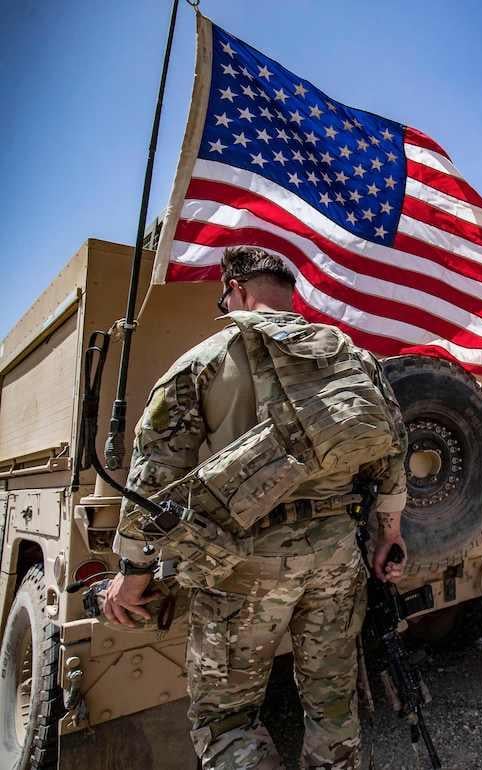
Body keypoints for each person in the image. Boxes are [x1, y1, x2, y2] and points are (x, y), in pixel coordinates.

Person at [101, 247, 408, 769]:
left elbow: (152, 477)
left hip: (242, 565)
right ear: (288, 293)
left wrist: (133, 573)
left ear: (237, 288)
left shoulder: (206, 359)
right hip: (337, 557)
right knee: (333, 705)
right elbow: (393, 450)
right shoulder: (351, 357)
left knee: (225, 720)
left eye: (224, 296)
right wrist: (390, 534)